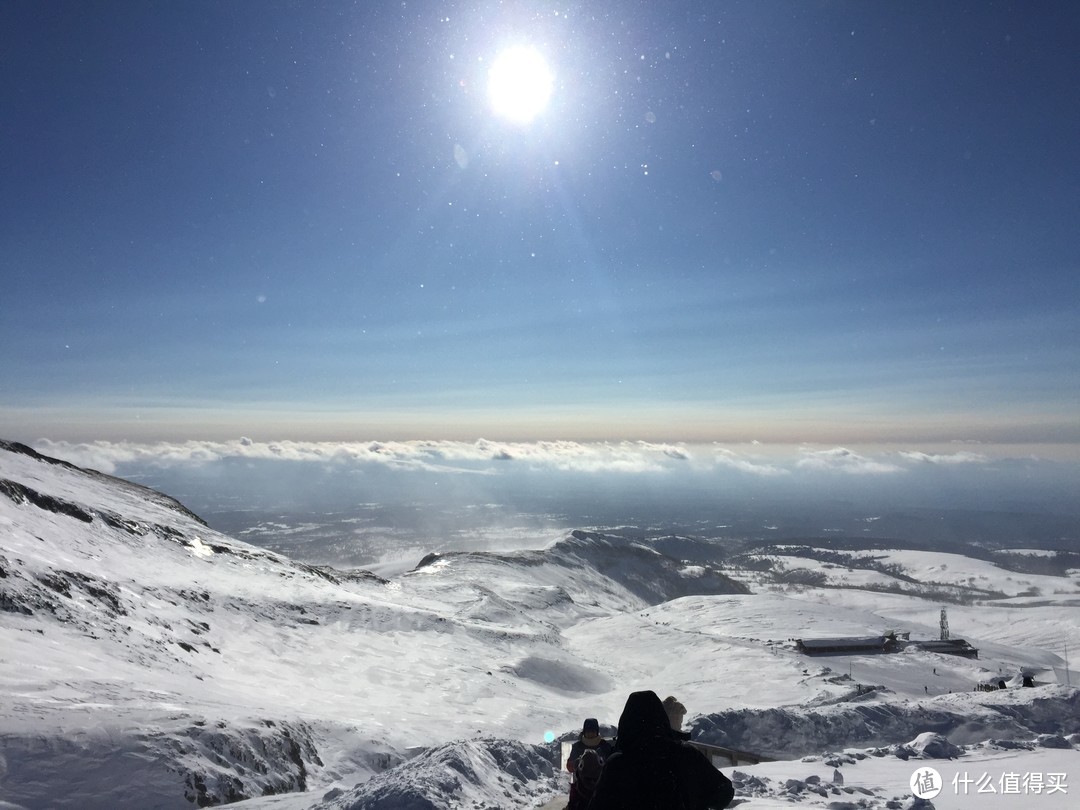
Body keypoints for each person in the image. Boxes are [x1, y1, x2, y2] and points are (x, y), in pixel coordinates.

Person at [587, 690, 734, 810]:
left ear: (626, 722)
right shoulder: (687, 754)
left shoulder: (617, 764)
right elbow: (724, 792)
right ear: (662, 718)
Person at [566, 717, 614, 809]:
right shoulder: (577, 746)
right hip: (581, 784)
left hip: (600, 784)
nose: (590, 734)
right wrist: (576, 764)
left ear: (597, 732)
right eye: (588, 731)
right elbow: (569, 766)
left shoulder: (604, 746)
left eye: (593, 731)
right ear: (584, 732)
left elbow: (611, 764)